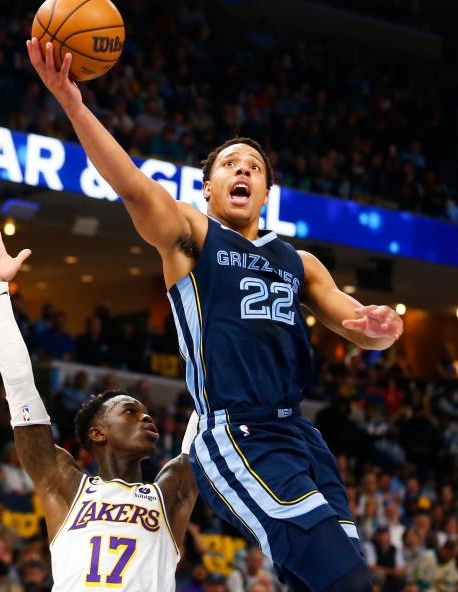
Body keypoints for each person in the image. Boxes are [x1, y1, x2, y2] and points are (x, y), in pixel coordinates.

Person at [27, 37, 404, 592]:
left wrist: (377, 330)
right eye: (230, 164)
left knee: (320, 580)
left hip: (298, 434)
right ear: (209, 187)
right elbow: (132, 188)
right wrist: (74, 105)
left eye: (253, 166)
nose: (242, 169)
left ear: (266, 192)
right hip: (233, 431)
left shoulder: (300, 261)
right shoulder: (193, 237)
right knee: (347, 581)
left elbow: (354, 324)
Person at [0, 210, 200, 592]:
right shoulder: (65, 485)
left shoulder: (171, 489)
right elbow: (20, 386)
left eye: (146, 413)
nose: (147, 418)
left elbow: (209, 403)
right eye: (130, 411)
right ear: (98, 432)